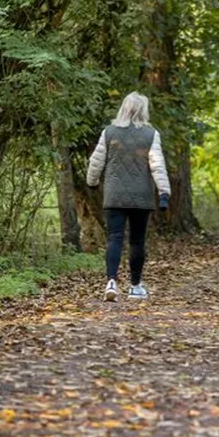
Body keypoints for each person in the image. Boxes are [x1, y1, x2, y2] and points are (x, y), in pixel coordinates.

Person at [87, 92, 171, 302]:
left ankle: (111, 282)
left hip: (114, 194)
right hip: (140, 196)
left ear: (123, 109)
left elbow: (96, 161)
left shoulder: (109, 132)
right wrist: (164, 192)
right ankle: (135, 286)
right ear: (143, 111)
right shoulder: (151, 134)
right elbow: (157, 165)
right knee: (137, 241)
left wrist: (92, 182)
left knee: (114, 237)